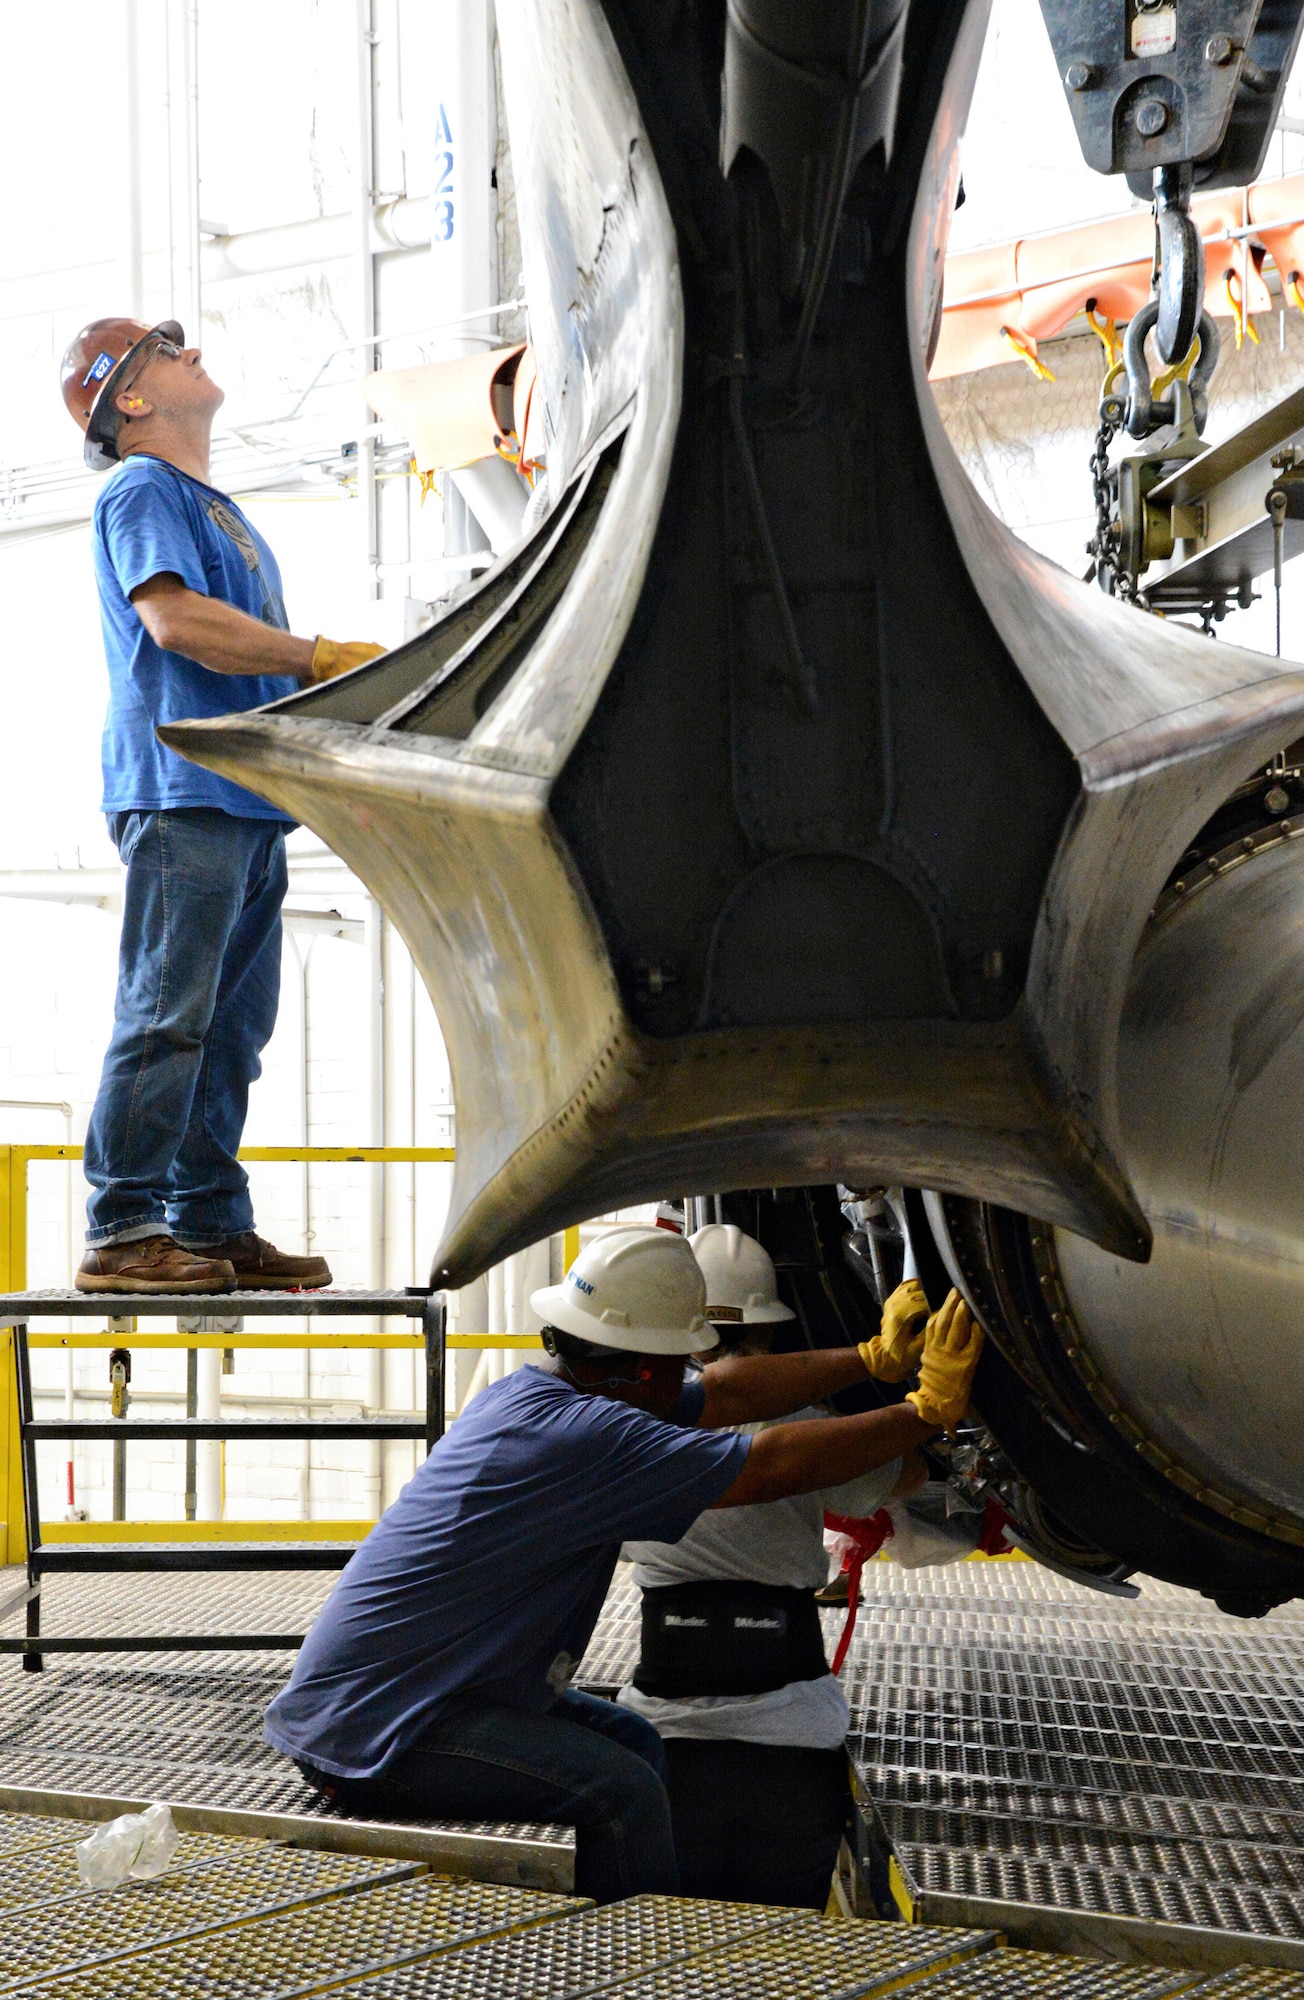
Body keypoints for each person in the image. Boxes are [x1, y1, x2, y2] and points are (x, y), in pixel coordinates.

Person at [262, 1223, 983, 1904]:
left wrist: (871, 1359)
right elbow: (761, 1467)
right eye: (681, 1357)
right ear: (642, 1366)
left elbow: (726, 1393)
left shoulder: (546, 1399)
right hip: (380, 1732)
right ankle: (639, 1962)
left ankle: (626, 1906)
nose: (694, 1369)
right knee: (620, 1792)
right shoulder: (584, 1437)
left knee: (635, 1740)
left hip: (425, 1694)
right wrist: (922, 1412)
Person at [59, 317, 386, 1295]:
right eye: (168, 346)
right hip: (182, 788)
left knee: (230, 1028)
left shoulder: (216, 507)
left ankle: (205, 1215)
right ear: (131, 396)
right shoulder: (143, 489)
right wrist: (316, 653)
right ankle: (123, 1224)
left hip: (244, 800)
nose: (194, 351)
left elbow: (247, 665)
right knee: (167, 1012)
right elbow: (178, 620)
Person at [618, 1223, 934, 1909]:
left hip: (669, 1743)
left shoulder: (627, 1432)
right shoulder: (808, 1432)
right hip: (790, 1747)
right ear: (767, 1331)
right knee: (781, 1948)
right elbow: (904, 1475)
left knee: (671, 1946)